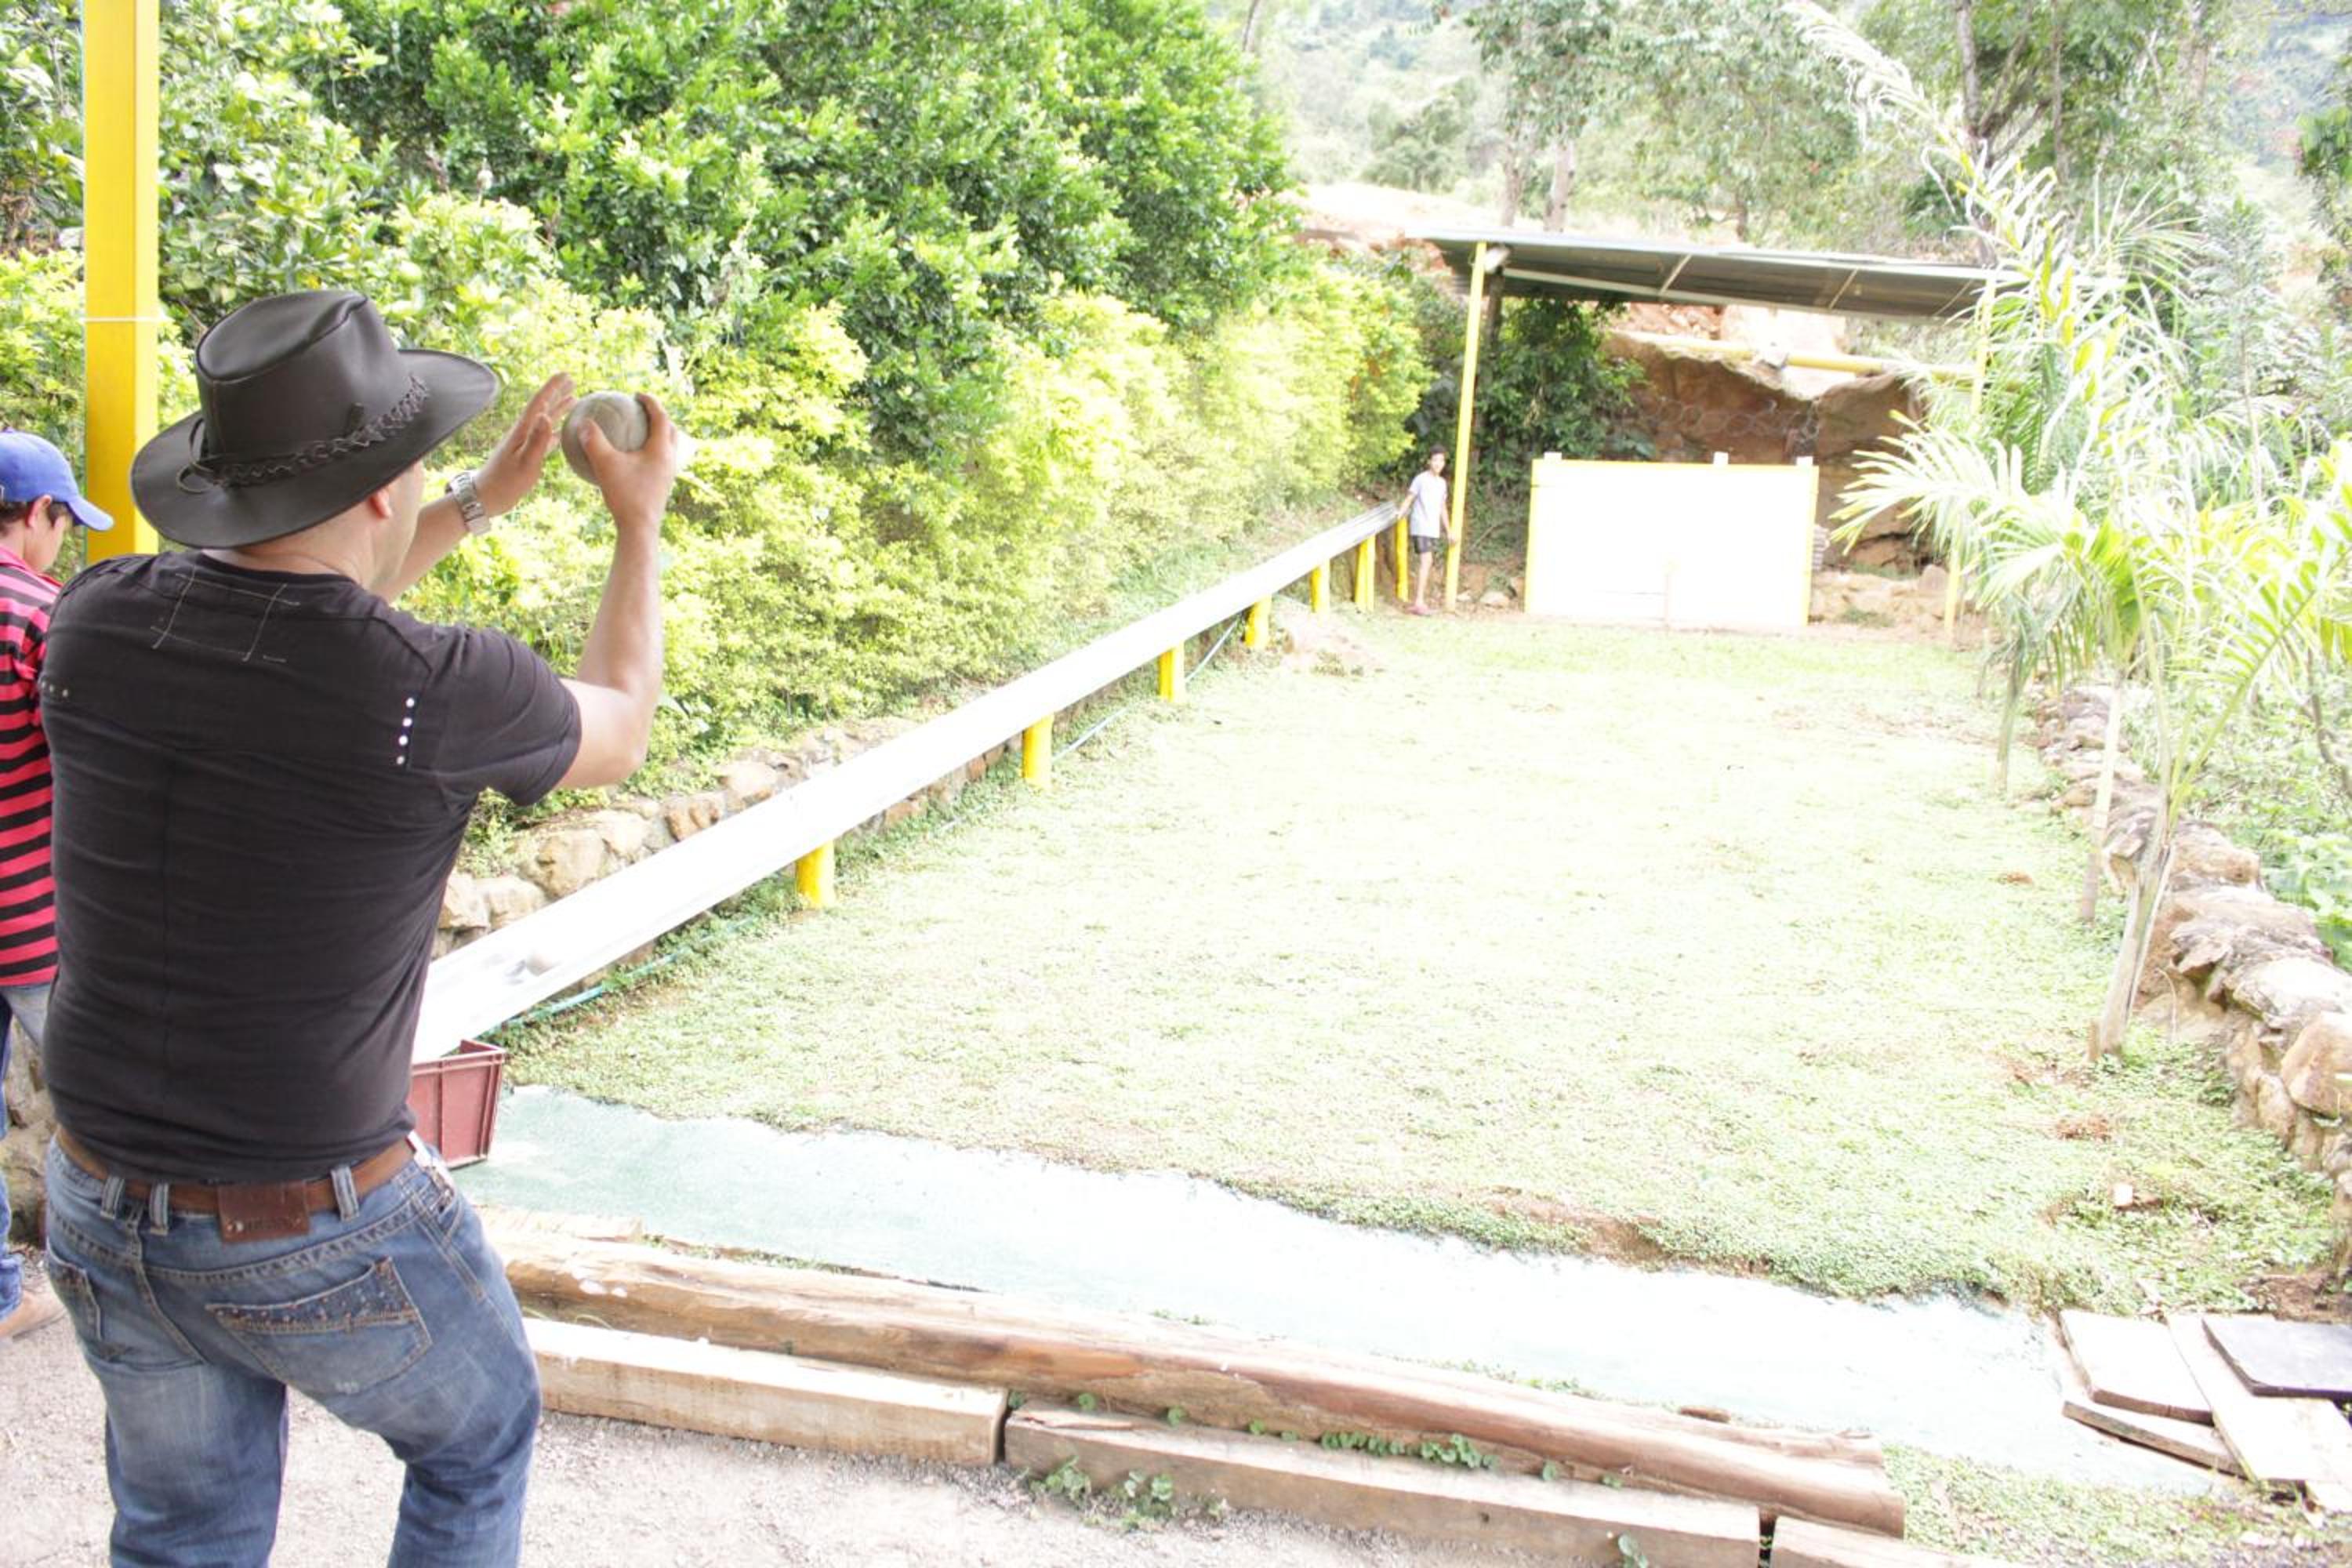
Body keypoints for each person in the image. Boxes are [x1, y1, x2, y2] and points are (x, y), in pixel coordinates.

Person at [38, 289, 679, 1565]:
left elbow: (287, 609)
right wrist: (638, 521)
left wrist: (477, 504)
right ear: (385, 493)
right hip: (316, 1219)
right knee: (477, 1437)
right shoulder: (436, 690)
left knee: (181, 1535)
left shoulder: (98, 619)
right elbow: (620, 715)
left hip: (102, 1198)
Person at [0, 429, 111, 1345]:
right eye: (64, 522)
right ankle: (134, 1287)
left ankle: (2, 1294)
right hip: (30, 917)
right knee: (109, 1100)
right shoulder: (44, 615)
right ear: (38, 513)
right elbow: (97, 755)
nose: (63, 540)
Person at [1401, 448, 1449, 615]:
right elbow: (1410, 497)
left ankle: (1419, 601)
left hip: (1432, 528)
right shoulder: (1420, 479)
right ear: (1429, 461)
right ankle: (1419, 602)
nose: (1438, 464)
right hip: (1420, 525)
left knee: (1427, 562)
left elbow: (1442, 507)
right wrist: (1400, 512)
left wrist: (1448, 530)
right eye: (1435, 460)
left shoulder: (1442, 483)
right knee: (1427, 561)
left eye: (1441, 460)